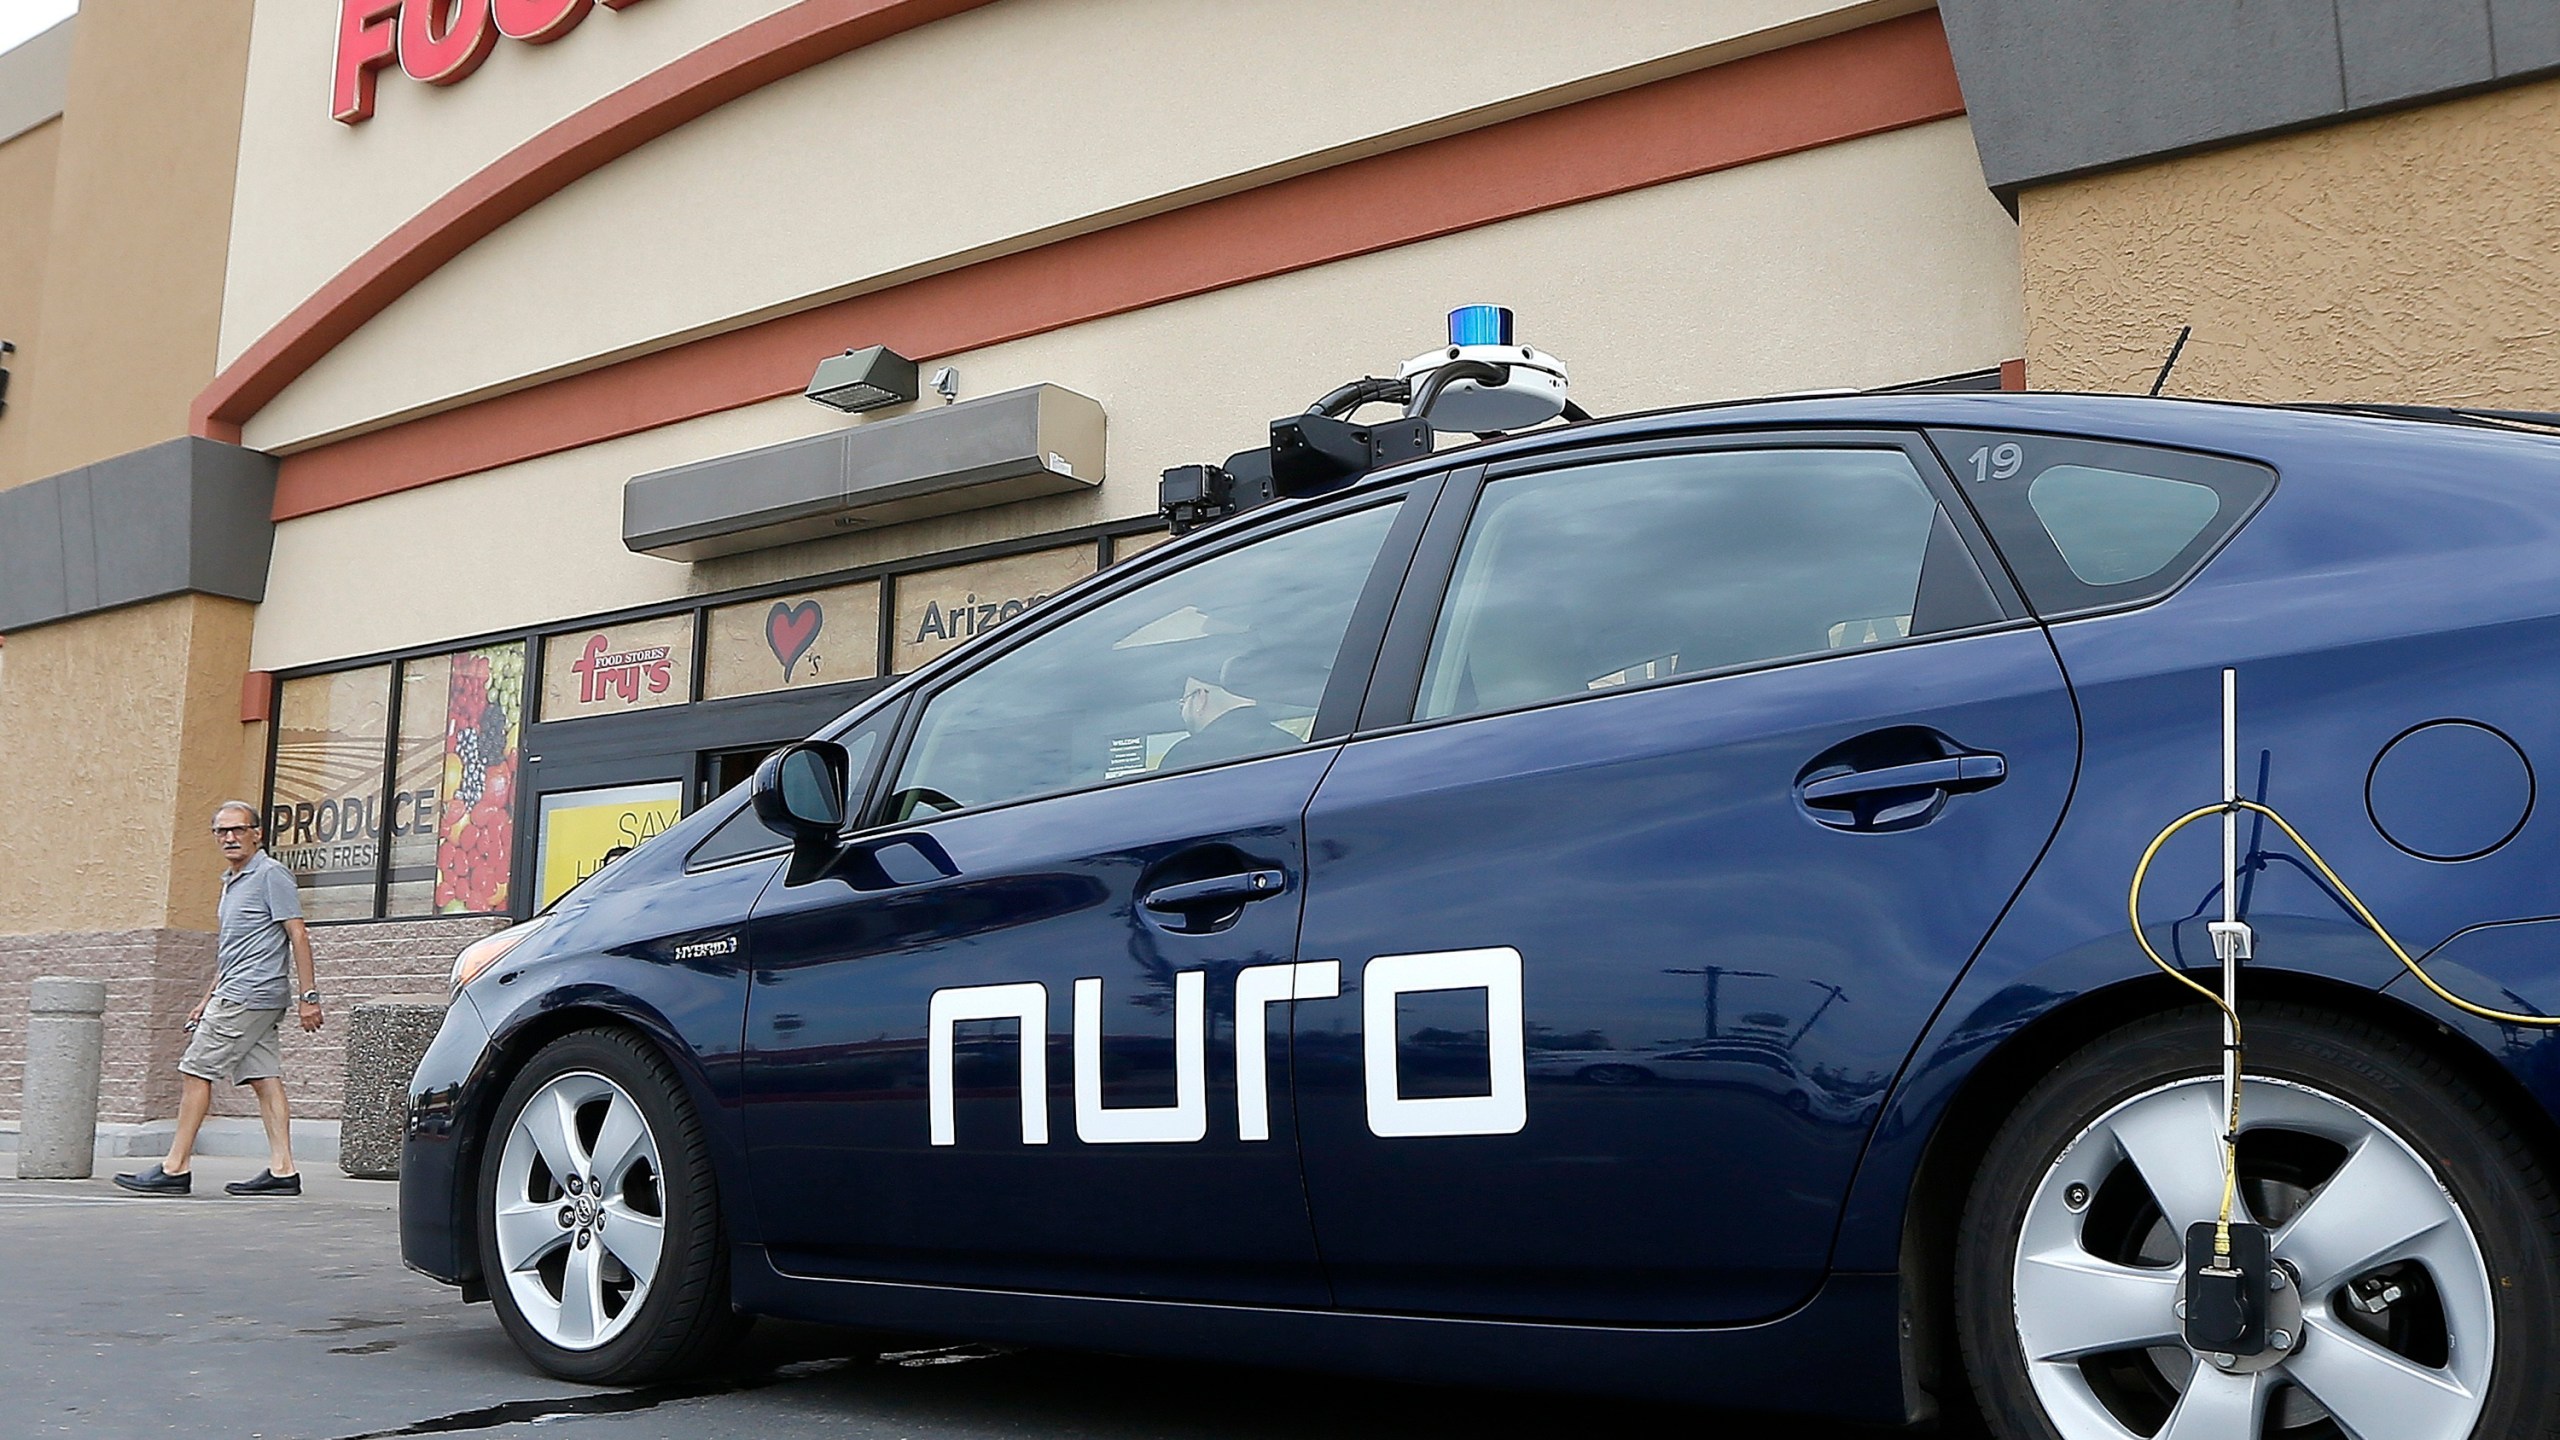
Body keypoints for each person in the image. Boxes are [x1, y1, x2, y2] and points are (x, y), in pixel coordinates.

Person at [115, 802, 324, 1197]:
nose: (229, 837)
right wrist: (206, 998)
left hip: (248, 995)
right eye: (221, 831)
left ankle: (175, 1167)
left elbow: (297, 933)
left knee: (196, 1071)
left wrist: (308, 996)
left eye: (238, 829)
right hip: (242, 992)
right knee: (264, 1078)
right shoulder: (232, 880)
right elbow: (235, 950)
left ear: (257, 834)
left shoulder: (270, 874)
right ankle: (283, 1171)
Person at [1158, 649, 1311, 772]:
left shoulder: (1187, 755)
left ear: (1200, 698)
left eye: (1183, 701)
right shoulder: (1292, 744)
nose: (1182, 711)